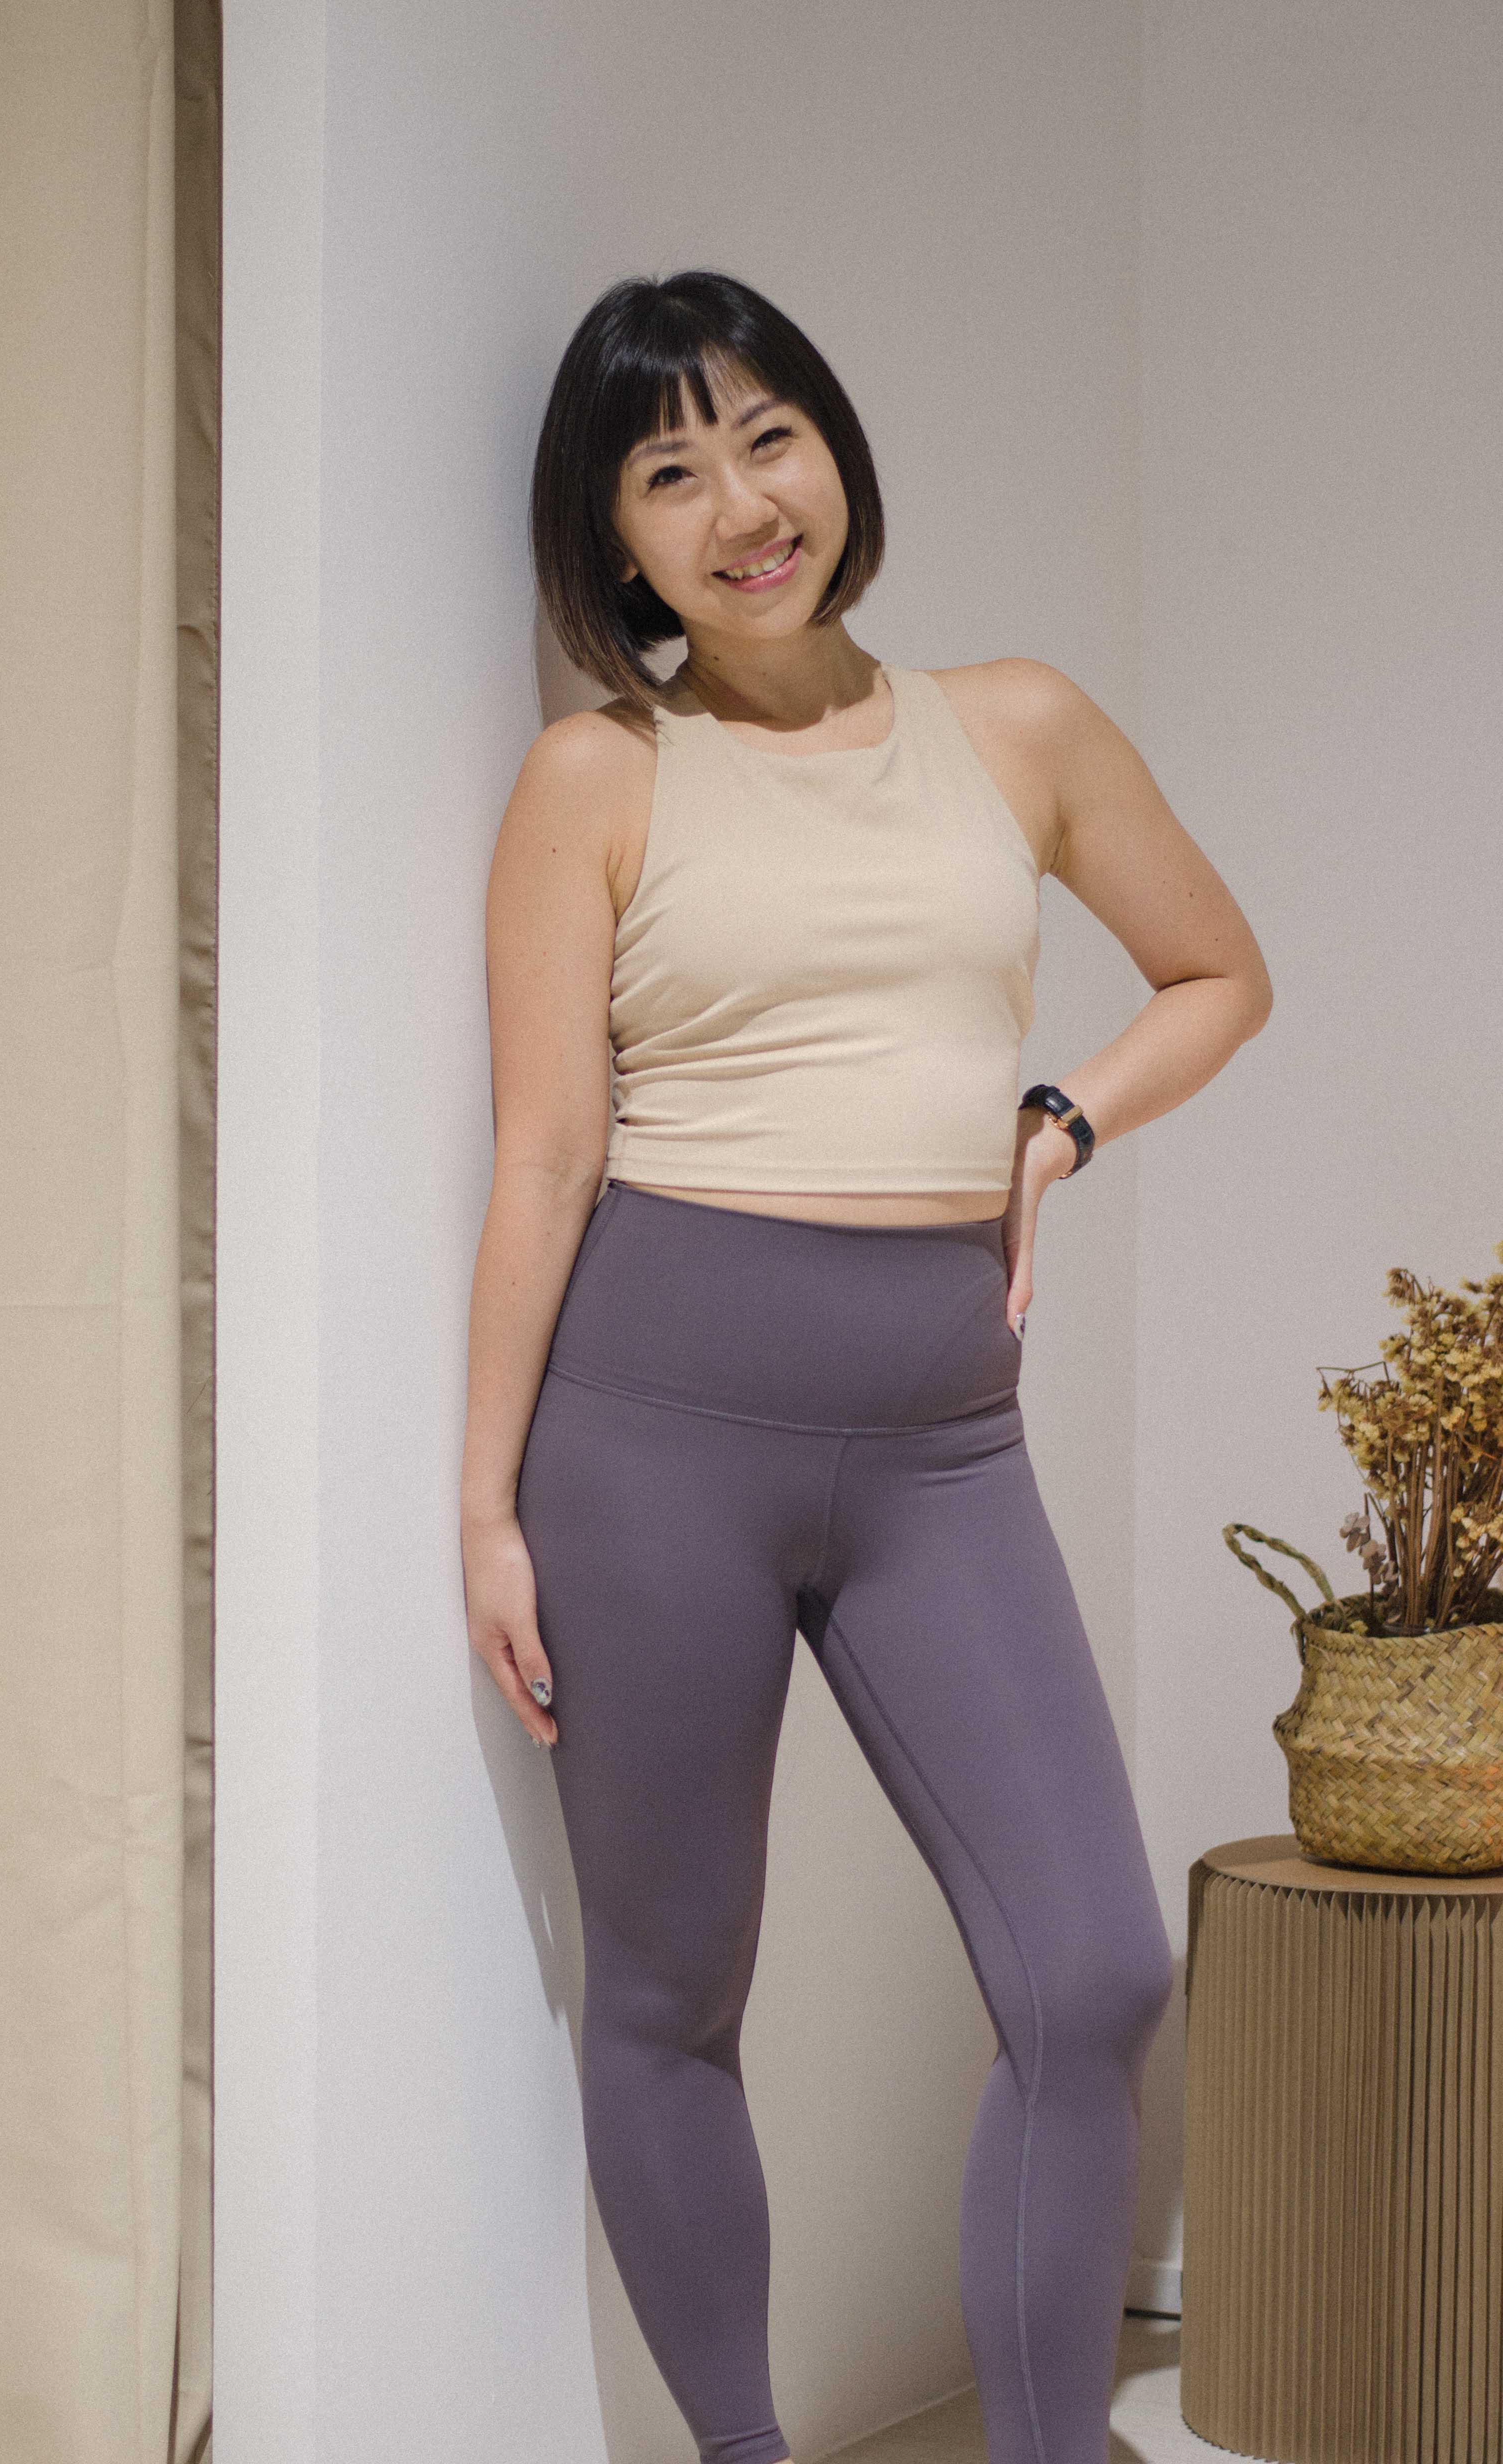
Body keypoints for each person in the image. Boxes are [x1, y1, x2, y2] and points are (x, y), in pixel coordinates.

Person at [460, 268, 1272, 2464]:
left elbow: (1217, 970)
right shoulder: (598, 774)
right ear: (614, 539)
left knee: (1092, 1969)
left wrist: (1058, 1116)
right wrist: (489, 1506)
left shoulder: (1016, 726)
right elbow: (547, 1154)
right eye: (671, 472)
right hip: (651, 1442)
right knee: (669, 1989)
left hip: (940, 1441)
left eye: (770, 437)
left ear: (833, 448)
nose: (742, 506)